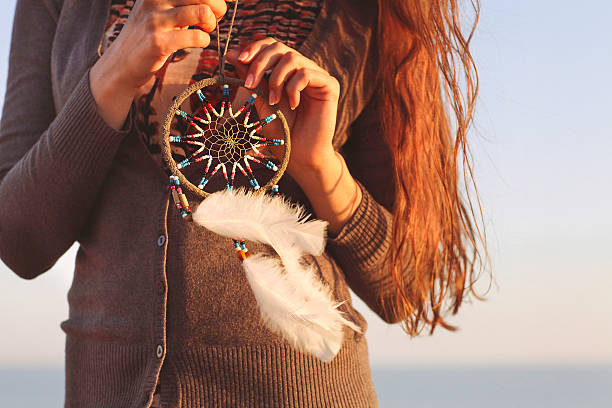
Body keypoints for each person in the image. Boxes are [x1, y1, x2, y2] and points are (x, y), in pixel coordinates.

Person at [0, 0, 487, 406]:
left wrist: (320, 167)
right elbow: (19, 242)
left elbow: (409, 285)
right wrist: (111, 77)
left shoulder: (368, 12)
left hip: (304, 390)